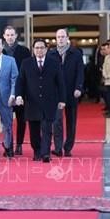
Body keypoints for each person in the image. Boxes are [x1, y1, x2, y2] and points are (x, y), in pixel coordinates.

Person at [15, 39, 66, 163]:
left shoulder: (54, 63)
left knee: (47, 128)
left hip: (49, 102)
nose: (39, 50)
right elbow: (20, 81)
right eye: (37, 48)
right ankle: (37, 151)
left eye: (42, 48)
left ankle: (45, 153)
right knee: (34, 130)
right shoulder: (26, 63)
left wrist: (62, 99)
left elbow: (60, 82)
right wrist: (18, 96)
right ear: (33, 50)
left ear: (46, 49)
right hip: (32, 102)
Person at [48, 28, 84, 157]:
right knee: (56, 121)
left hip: (71, 91)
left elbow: (80, 72)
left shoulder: (76, 53)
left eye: (63, 36)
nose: (60, 39)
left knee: (71, 120)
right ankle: (58, 148)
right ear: (56, 38)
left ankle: (68, 147)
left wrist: (78, 88)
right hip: (56, 93)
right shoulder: (50, 54)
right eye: (58, 37)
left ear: (67, 38)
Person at [2, 25, 31, 155]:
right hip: (5, 90)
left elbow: (28, 72)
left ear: (16, 36)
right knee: (6, 120)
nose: (10, 37)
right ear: (4, 36)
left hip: (21, 89)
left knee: (21, 119)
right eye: (7, 35)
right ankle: (9, 145)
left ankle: (19, 144)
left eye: (12, 35)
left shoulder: (24, 51)